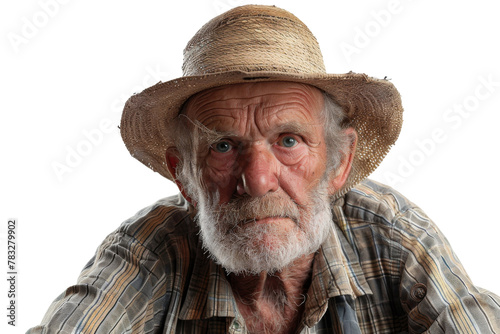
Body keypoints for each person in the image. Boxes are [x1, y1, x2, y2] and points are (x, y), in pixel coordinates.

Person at [28, 5, 500, 334]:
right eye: (223, 145)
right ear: (183, 174)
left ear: (339, 162)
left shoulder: (393, 235)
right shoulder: (149, 252)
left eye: (289, 141)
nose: (256, 179)